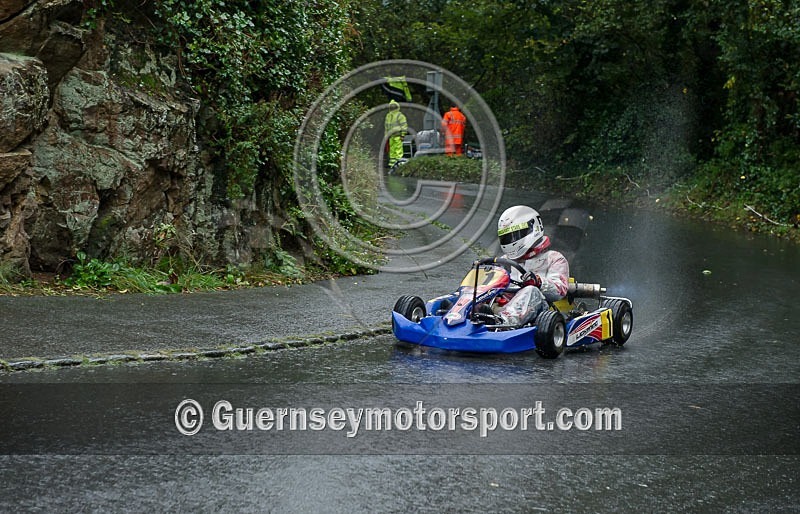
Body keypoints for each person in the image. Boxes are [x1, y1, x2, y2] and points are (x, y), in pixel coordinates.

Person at [495, 205, 569, 325]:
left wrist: (538, 281)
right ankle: (455, 315)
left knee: (531, 290)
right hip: (504, 306)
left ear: (532, 229)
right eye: (507, 237)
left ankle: (503, 323)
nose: (511, 240)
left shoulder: (554, 258)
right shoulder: (503, 261)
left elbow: (559, 290)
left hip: (542, 312)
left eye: (515, 235)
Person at [384, 100, 408, 170]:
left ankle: (398, 164)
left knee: (397, 151)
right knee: (393, 151)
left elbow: (404, 126)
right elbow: (386, 126)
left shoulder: (392, 116)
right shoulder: (398, 115)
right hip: (393, 136)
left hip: (397, 136)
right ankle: (393, 164)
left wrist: (402, 135)